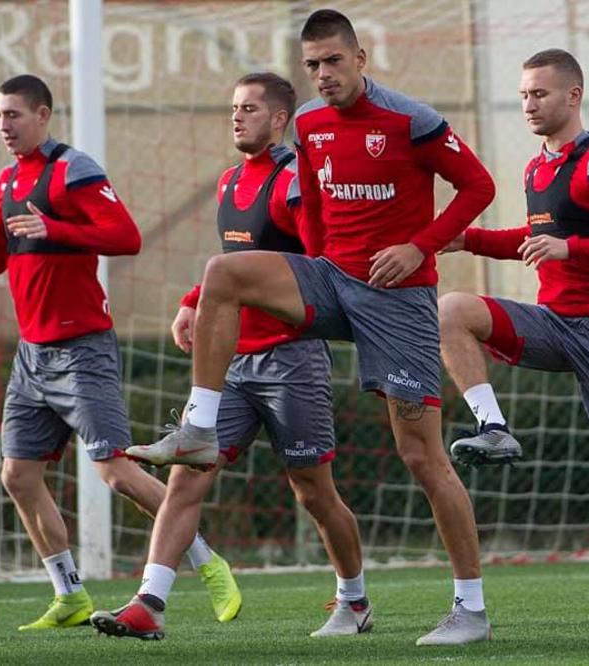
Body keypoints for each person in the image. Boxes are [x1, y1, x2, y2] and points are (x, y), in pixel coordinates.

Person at [126, 10, 497, 646]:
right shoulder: (307, 124)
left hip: (397, 299)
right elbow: (318, 209)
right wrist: (316, 265)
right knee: (222, 275)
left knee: (420, 455)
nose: (323, 75)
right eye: (313, 65)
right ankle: (199, 427)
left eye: (333, 61)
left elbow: (477, 186)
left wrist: (419, 246)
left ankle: (471, 610)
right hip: (330, 280)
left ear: (361, 58)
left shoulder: (411, 120)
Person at [90, 73, 366, 640]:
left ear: (280, 118)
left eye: (250, 109)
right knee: (190, 477)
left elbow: (319, 262)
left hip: (292, 360)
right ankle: (150, 603)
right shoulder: (229, 182)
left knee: (313, 493)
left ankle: (354, 600)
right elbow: (231, 261)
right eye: (233, 109)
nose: (237, 117)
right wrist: (194, 302)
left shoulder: (295, 180)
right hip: (233, 366)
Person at [0, 75, 239, 631]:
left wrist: (55, 228)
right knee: (18, 476)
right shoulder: (5, 182)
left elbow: (125, 237)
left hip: (81, 350)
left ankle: (208, 561)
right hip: (32, 355)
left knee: (116, 473)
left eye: (14, 115)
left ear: (43, 115)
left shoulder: (73, 169)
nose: (3, 125)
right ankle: (68, 593)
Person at [439, 48, 589, 635]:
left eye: (540, 94)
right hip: (552, 325)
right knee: (452, 309)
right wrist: (463, 239)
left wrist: (570, 251)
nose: (529, 104)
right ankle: (493, 429)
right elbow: (538, 236)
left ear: (573, 96)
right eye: (524, 95)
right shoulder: (535, 169)